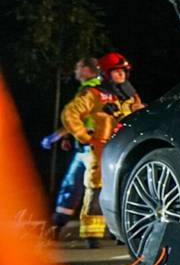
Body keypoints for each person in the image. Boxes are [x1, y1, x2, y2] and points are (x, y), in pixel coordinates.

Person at [59, 52, 143, 246]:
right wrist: (85, 137)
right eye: (116, 71)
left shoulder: (131, 94)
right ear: (106, 73)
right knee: (96, 189)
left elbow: (137, 114)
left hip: (124, 148)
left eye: (123, 71)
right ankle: (92, 235)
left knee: (125, 189)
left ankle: (121, 232)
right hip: (101, 149)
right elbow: (70, 114)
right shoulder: (93, 94)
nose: (121, 75)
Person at [42, 58, 101, 236]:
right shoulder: (101, 87)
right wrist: (68, 136)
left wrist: (54, 137)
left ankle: (58, 226)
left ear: (86, 69)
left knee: (75, 186)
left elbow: (75, 118)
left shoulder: (90, 90)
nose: (75, 71)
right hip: (89, 145)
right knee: (90, 187)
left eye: (77, 67)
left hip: (90, 145)